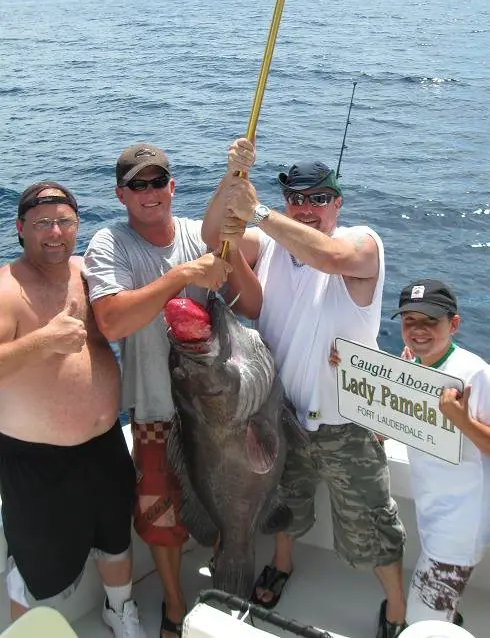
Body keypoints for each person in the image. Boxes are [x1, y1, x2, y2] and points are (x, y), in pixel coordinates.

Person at [202, 139, 407, 638]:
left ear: (338, 203)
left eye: (319, 198)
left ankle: (398, 610)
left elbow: (332, 258)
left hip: (347, 425)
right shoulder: (270, 246)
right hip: (281, 415)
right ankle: (283, 566)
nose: (307, 207)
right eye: (297, 197)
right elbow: (214, 238)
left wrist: (264, 213)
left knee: (371, 524)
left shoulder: (362, 243)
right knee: (284, 508)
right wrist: (231, 180)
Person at [83, 143, 258, 638]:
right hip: (157, 410)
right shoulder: (110, 245)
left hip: (218, 409)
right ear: (120, 195)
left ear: (173, 187)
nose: (150, 192)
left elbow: (245, 301)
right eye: (138, 185)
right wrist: (182, 276)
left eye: (158, 181)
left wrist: (232, 175)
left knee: (228, 498)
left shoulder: (198, 235)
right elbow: (113, 320)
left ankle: (229, 585)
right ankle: (176, 607)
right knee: (159, 513)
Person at [0, 182, 146, 638]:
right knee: (34, 563)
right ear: (20, 228)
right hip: (36, 461)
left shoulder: (89, 274)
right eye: (42, 223)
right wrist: (42, 342)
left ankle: (120, 611)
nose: (55, 232)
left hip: (104, 445)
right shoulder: (6, 290)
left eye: (65, 221)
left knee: (115, 537)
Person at [390, 279, 490, 626]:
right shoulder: (413, 365)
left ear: (454, 324)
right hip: (432, 513)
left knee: (422, 622)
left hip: (459, 527)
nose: (418, 331)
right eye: (409, 321)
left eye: (430, 321)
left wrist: (462, 420)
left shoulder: (474, 373)